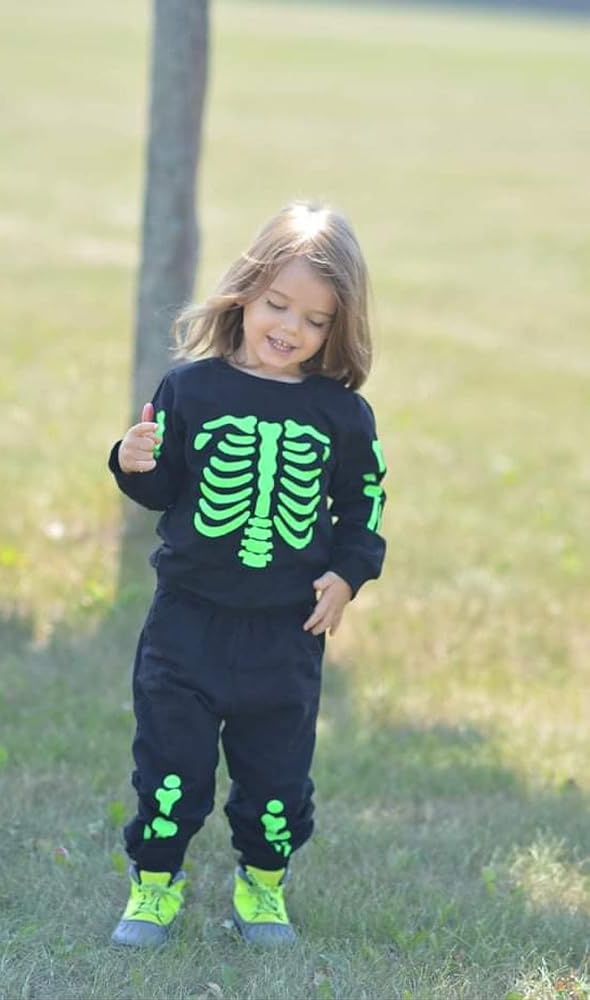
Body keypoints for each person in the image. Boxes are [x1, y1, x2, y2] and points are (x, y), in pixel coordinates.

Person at [107, 201, 387, 948]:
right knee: (170, 766)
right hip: (188, 620)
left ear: (337, 328)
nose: (291, 328)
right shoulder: (190, 389)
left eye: (316, 320)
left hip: (285, 631)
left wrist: (348, 574)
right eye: (278, 304)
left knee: (277, 779)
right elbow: (165, 489)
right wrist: (132, 462)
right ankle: (154, 884)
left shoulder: (342, 414)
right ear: (245, 292)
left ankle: (262, 888)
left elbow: (364, 501)